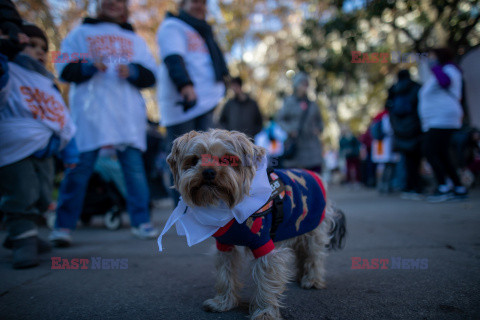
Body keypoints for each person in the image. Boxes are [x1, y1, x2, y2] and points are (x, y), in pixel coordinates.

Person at [49, 0, 159, 246]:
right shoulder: (80, 33)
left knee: (134, 173)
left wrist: (132, 71)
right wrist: (87, 67)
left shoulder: (135, 40)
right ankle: (63, 226)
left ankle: (142, 222)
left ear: (124, 7)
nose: (112, 3)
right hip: (90, 117)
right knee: (77, 171)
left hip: (126, 118)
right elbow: (63, 69)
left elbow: (151, 76)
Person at [0, 19, 78, 268]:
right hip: (15, 147)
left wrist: (70, 151)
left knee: (44, 195)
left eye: (44, 47)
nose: (40, 51)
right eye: (31, 45)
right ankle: (24, 240)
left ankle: (25, 234)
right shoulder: (9, 71)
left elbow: (63, 118)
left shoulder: (47, 82)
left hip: (46, 149)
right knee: (22, 192)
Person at [156, 0, 229, 204]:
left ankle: (204, 203)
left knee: (208, 157)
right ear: (182, 4)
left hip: (205, 104)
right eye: (195, 1)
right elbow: (173, 59)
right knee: (182, 158)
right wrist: (185, 86)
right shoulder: (173, 26)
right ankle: (182, 206)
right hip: (185, 103)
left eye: (204, 2)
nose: (200, 6)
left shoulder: (202, 31)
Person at [418, 48, 468, 202]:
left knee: (429, 150)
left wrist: (435, 67)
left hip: (442, 119)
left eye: (432, 57)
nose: (430, 60)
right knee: (441, 153)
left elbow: (445, 82)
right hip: (436, 119)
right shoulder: (442, 71)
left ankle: (443, 186)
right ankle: (458, 187)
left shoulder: (449, 69)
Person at [386, 69, 423, 199]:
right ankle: (417, 186)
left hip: (399, 129)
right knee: (416, 158)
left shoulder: (393, 90)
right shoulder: (416, 87)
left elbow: (387, 107)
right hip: (415, 126)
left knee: (406, 159)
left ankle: (409, 186)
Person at [275, 73, 324, 172]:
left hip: (312, 148)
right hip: (295, 147)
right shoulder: (288, 102)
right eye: (302, 84)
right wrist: (289, 130)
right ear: (296, 85)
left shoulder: (313, 104)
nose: (304, 87)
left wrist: (318, 129)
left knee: (314, 177)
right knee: (295, 178)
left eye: (306, 84)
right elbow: (279, 119)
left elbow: (320, 122)